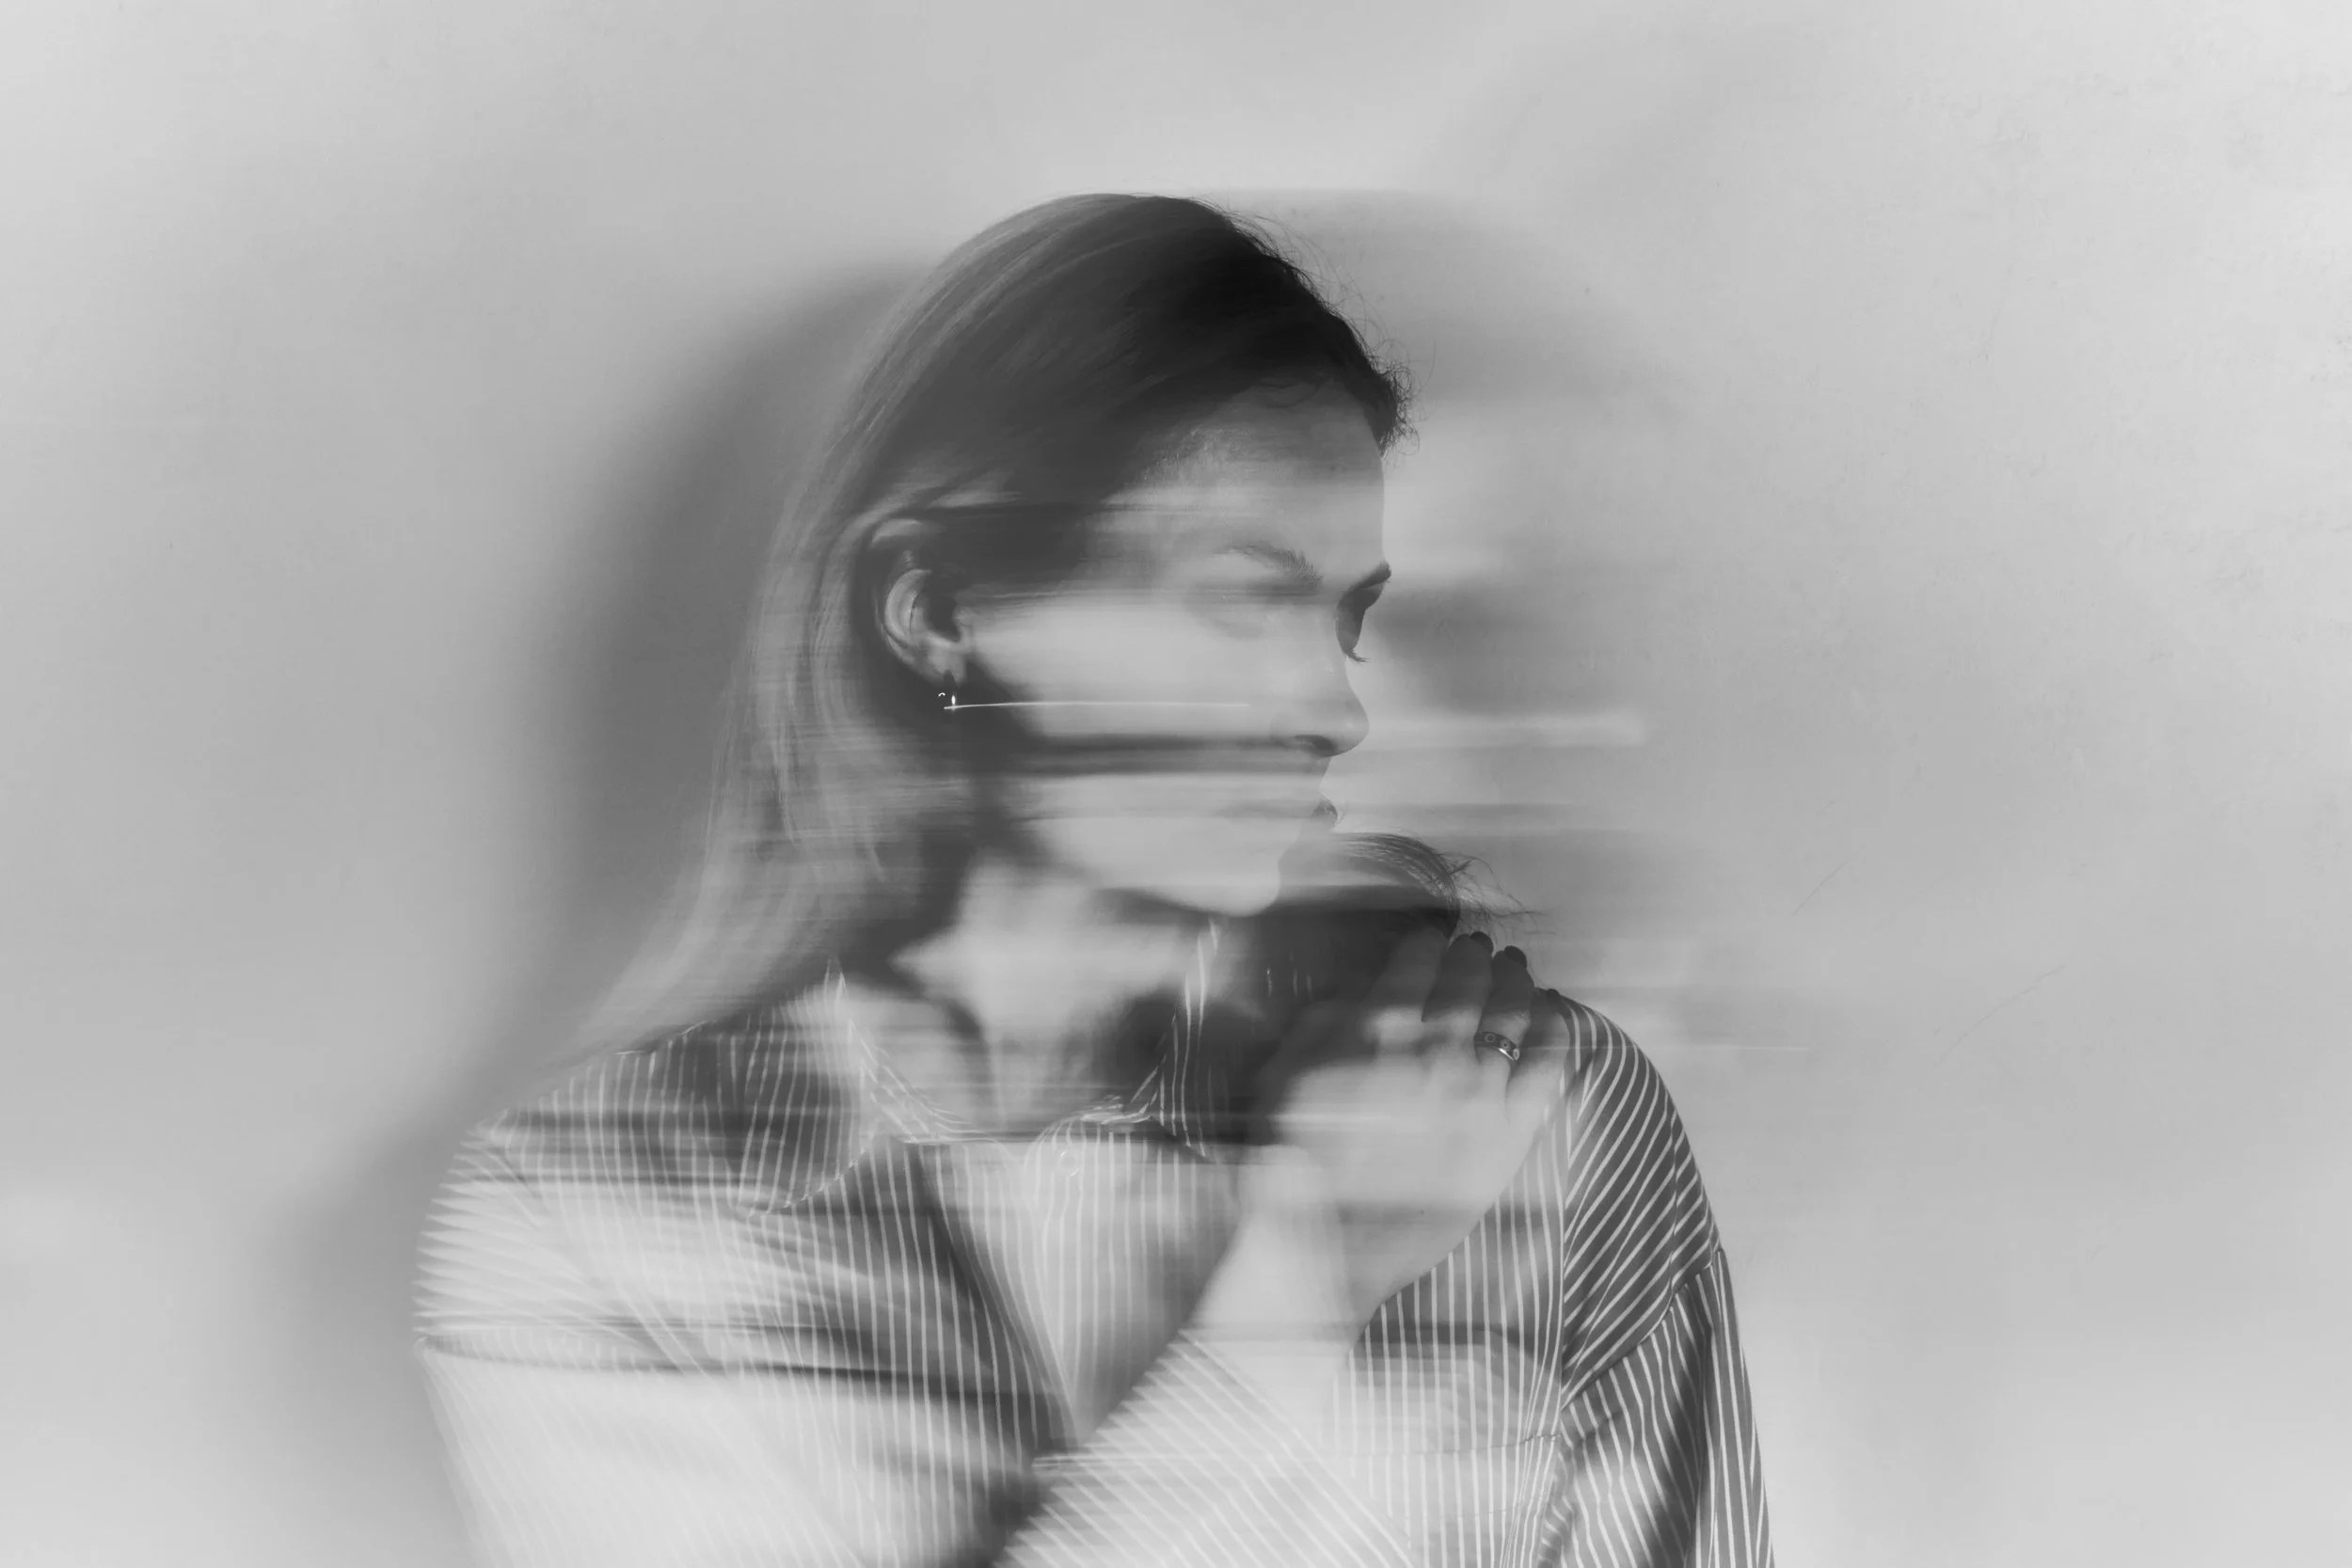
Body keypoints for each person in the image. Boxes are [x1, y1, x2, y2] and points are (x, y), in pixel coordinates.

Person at [416, 194, 1772, 1567]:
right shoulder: (596, 1216)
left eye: (1345, 618)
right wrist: (1303, 1281)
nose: (1335, 709)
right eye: (1241, 596)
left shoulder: (1543, 1109)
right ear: (937, 613)